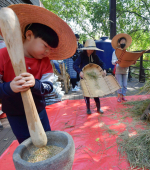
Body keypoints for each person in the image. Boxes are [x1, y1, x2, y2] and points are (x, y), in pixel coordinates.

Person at [0, 4, 76, 143]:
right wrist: (10, 87)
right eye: (45, 46)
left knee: (45, 140)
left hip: (39, 111)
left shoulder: (45, 62)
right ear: (29, 35)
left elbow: (49, 86)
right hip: (15, 114)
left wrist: (35, 84)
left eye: (50, 49)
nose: (48, 52)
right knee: (26, 145)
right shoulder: (3, 56)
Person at [74, 39, 106, 114]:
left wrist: (104, 69)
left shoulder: (95, 57)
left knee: (96, 93)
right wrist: (80, 71)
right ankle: (88, 108)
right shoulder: (81, 56)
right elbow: (75, 65)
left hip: (94, 78)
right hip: (84, 77)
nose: (91, 51)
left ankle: (98, 108)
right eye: (89, 49)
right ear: (86, 49)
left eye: (92, 49)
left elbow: (102, 63)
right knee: (86, 93)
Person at [111, 33, 132, 102]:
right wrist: (117, 61)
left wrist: (132, 62)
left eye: (124, 42)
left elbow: (129, 60)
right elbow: (113, 61)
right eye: (122, 42)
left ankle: (124, 96)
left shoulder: (127, 52)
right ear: (119, 43)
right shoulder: (115, 52)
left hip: (125, 70)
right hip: (119, 69)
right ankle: (119, 96)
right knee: (119, 84)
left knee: (125, 85)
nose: (123, 43)